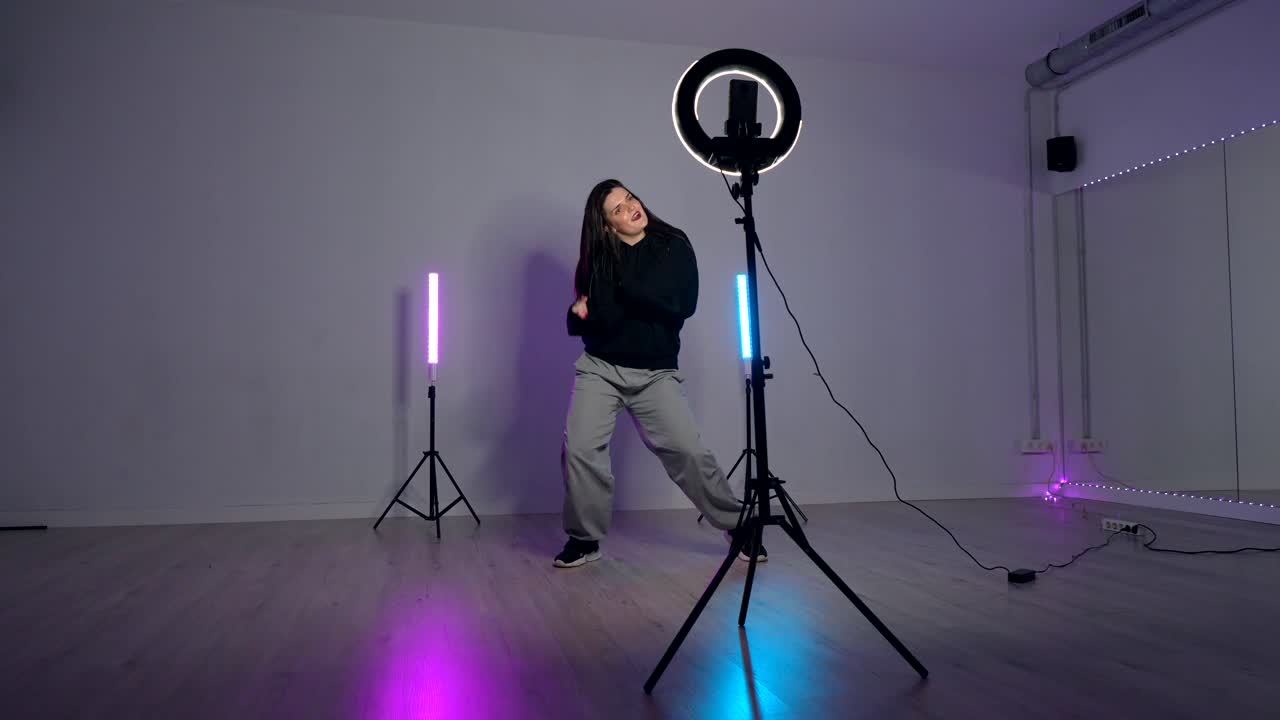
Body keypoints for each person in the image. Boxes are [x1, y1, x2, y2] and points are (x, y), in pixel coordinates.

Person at [553, 178, 767, 568]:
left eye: (631, 198)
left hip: (654, 372)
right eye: (617, 209)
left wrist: (622, 289)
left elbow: (680, 305)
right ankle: (584, 539)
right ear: (605, 225)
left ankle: (738, 524)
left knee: (687, 451)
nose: (631, 208)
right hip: (601, 369)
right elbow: (588, 315)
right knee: (580, 449)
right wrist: (580, 312)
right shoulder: (596, 261)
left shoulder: (672, 245)